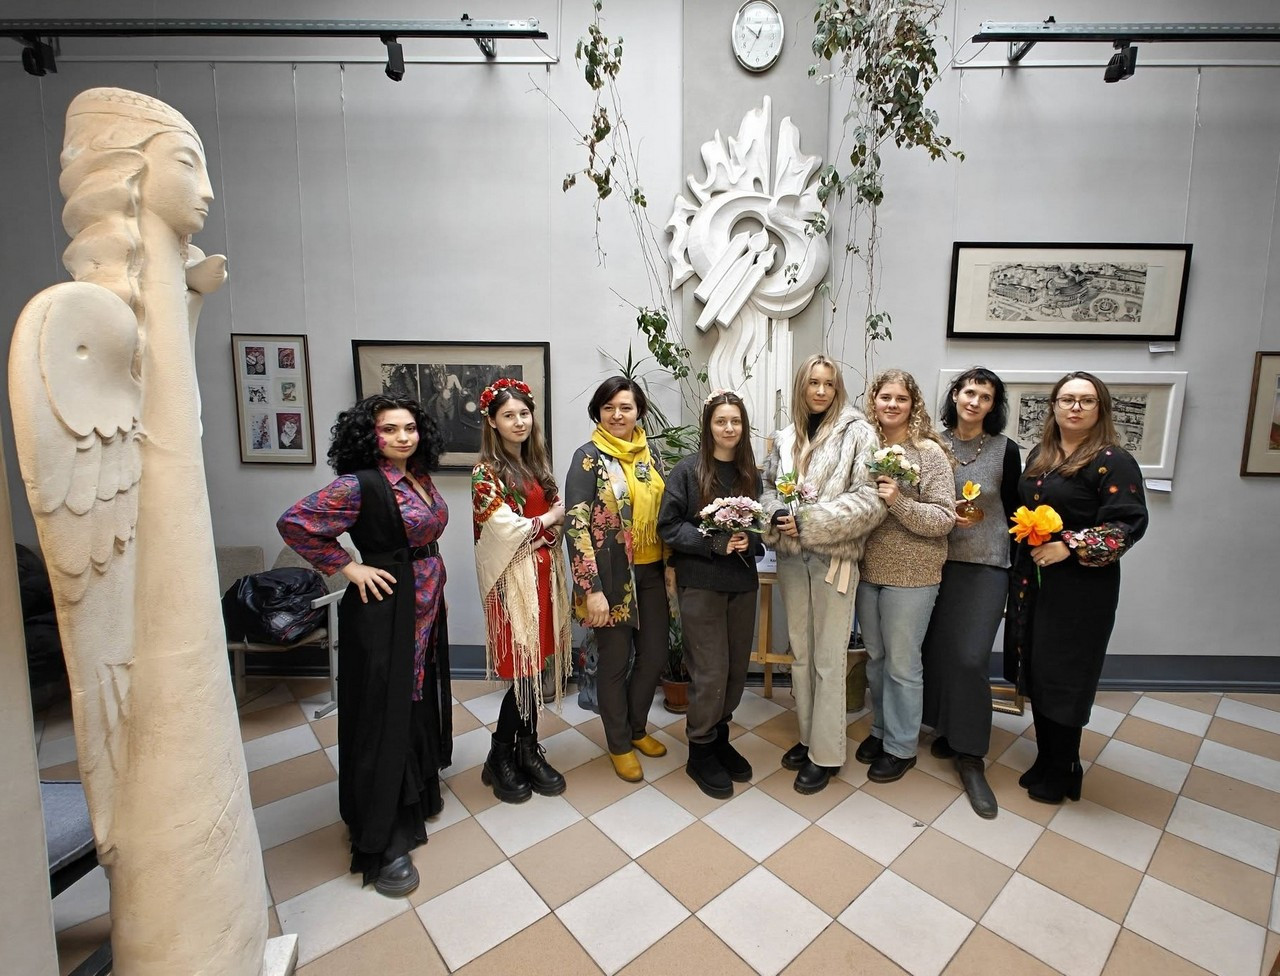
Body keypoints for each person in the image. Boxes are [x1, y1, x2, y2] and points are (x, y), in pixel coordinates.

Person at [278, 394, 452, 898]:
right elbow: (295, 523)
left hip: (422, 605)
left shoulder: (417, 476)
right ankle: (382, 835)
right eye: (389, 429)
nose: (402, 437)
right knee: (382, 709)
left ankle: (412, 794)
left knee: (411, 700)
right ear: (368, 436)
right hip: (385, 611)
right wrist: (349, 567)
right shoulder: (359, 485)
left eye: (409, 428)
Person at [1008, 371, 1148, 804]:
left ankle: (1065, 765)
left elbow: (1127, 525)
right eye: (1067, 399)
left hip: (1082, 588)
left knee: (1066, 674)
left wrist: (1068, 545)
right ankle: (1048, 756)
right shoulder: (1041, 454)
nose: (1075, 407)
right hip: (1035, 579)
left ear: (1100, 408)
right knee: (1037, 668)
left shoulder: (1113, 460)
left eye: (1086, 400)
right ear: (1053, 406)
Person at [761, 355, 884, 795]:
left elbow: (871, 499)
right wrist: (777, 514)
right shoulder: (786, 436)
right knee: (801, 654)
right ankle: (809, 736)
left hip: (834, 558)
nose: (820, 391)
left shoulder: (858, 432)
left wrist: (809, 521)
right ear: (802, 386)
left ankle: (827, 755)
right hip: (792, 558)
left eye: (828, 384)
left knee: (829, 659)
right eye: (813, 382)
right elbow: (768, 487)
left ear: (837, 389)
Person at [920, 368, 1021, 818]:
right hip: (933, 561)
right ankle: (946, 729)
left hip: (986, 566)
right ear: (955, 396)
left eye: (985, 396)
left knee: (969, 658)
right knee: (937, 652)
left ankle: (971, 754)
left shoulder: (1005, 450)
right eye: (968, 392)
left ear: (993, 405)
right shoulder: (931, 444)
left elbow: (1017, 512)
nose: (974, 401)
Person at [564, 376, 675, 782]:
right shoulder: (587, 458)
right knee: (614, 663)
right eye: (608, 407)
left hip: (651, 571)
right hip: (609, 578)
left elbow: (667, 513)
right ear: (598, 412)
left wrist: (671, 567)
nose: (617, 415)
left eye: (625, 407)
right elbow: (576, 526)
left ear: (638, 411)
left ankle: (637, 728)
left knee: (654, 655)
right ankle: (618, 743)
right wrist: (590, 590)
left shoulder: (651, 455)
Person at [658, 390, 763, 798]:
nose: (729, 428)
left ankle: (719, 736)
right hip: (701, 584)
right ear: (708, 426)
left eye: (735, 421)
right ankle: (700, 749)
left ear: (744, 426)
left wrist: (750, 540)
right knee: (710, 671)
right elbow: (668, 526)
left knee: (735, 670)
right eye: (721, 421)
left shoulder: (750, 473)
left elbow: (758, 529)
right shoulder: (687, 471)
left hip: (742, 585)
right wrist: (714, 542)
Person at [471, 378, 571, 802]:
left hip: (543, 581)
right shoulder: (485, 473)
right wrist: (547, 522)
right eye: (508, 415)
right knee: (523, 673)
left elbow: (557, 522)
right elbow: (505, 530)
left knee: (536, 669)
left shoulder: (537, 467)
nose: (518, 422)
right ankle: (500, 755)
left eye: (524, 414)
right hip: (512, 586)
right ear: (492, 422)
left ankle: (527, 750)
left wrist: (545, 527)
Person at [854, 369, 956, 784]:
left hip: (913, 572)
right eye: (885, 397)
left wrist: (898, 501)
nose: (892, 405)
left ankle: (901, 746)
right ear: (874, 401)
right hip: (867, 569)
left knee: (902, 664)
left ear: (913, 405)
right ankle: (881, 729)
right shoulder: (865, 446)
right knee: (876, 660)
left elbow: (944, 518)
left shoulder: (928, 453)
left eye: (901, 398)